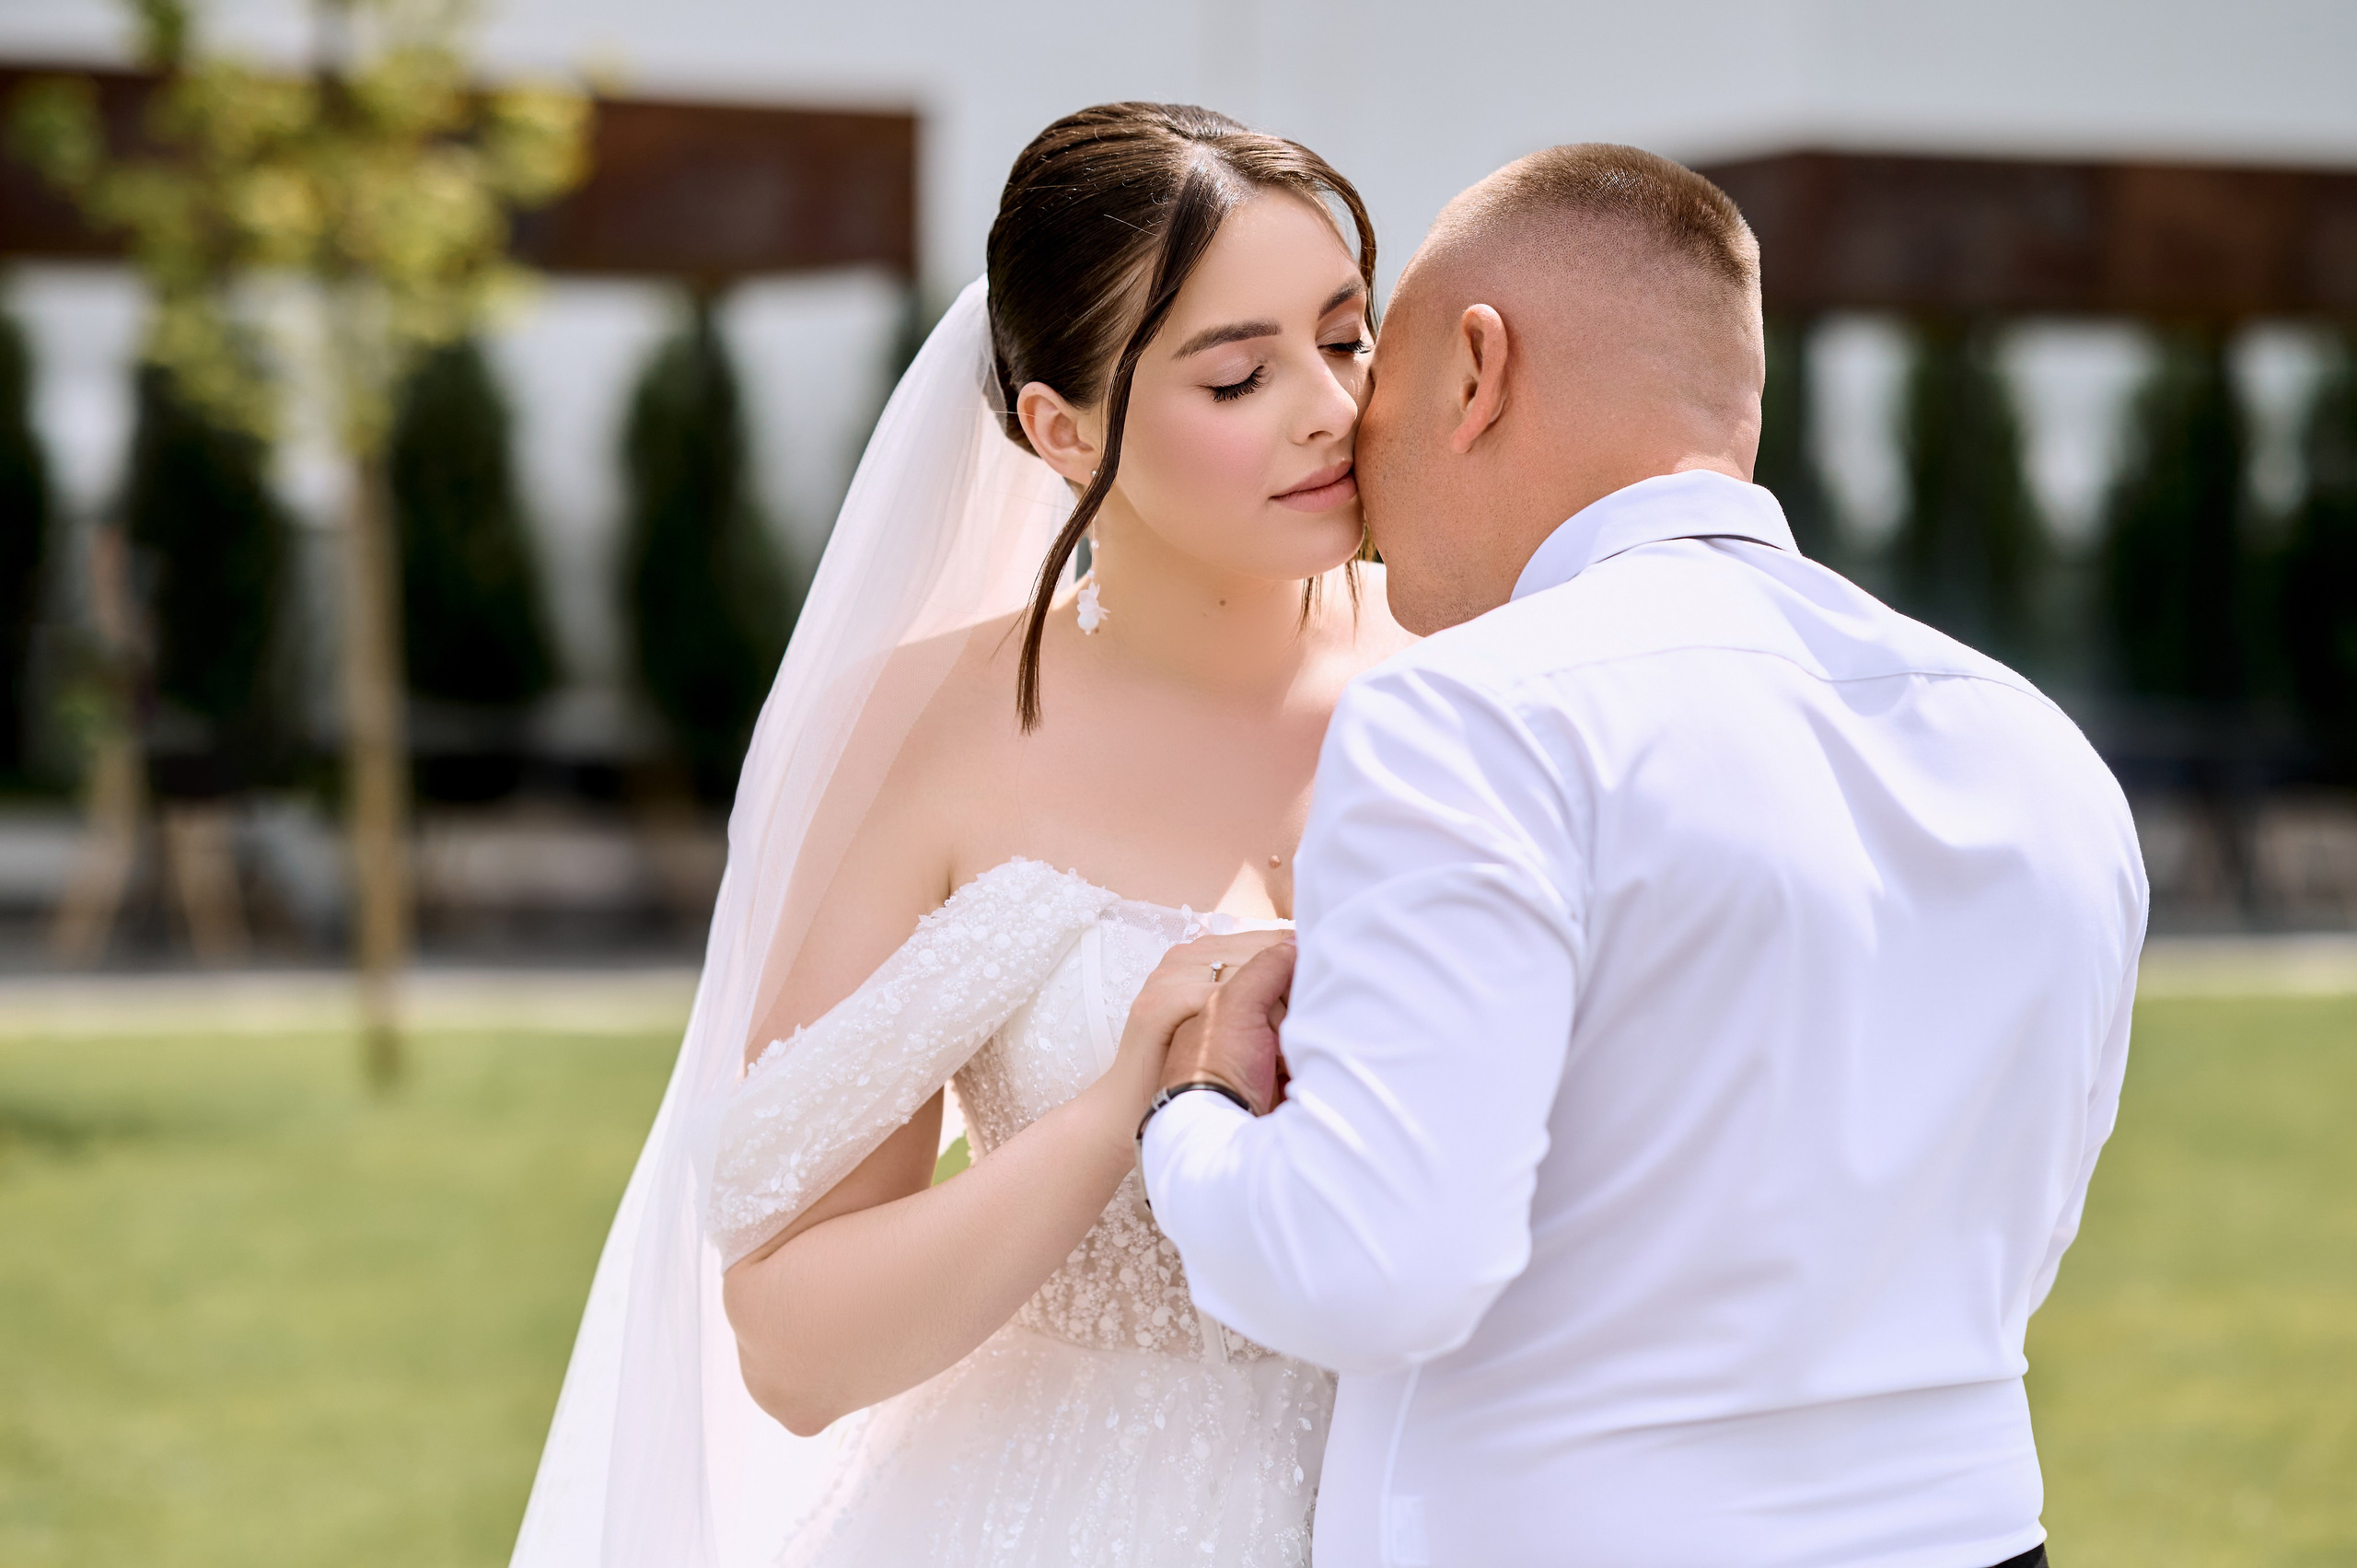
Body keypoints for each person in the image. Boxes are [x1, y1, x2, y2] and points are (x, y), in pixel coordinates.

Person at [1139, 145, 2147, 1568]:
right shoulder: (2042, 750)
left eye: (1379, 376)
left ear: (1477, 371)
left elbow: (1369, 1270)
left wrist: (1187, 1111)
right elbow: (2013, 1236)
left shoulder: (1469, 717)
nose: (1353, 443)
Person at [509, 102, 1411, 1568]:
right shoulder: (926, 732)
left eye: (1349, 338)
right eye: (1240, 375)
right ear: (1063, 429)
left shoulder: (1489, 666)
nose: (1330, 407)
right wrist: (1120, 1107)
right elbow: (792, 1347)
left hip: (1460, 1493)